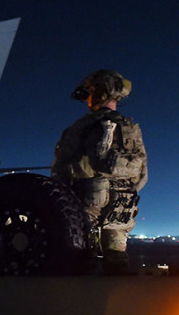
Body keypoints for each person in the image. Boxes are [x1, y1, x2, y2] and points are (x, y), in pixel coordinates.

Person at [51, 69, 147, 273]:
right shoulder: (130, 128)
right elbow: (142, 175)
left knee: (84, 261)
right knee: (117, 261)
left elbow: (61, 171)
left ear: (99, 92)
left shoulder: (84, 126)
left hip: (90, 204)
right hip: (124, 207)